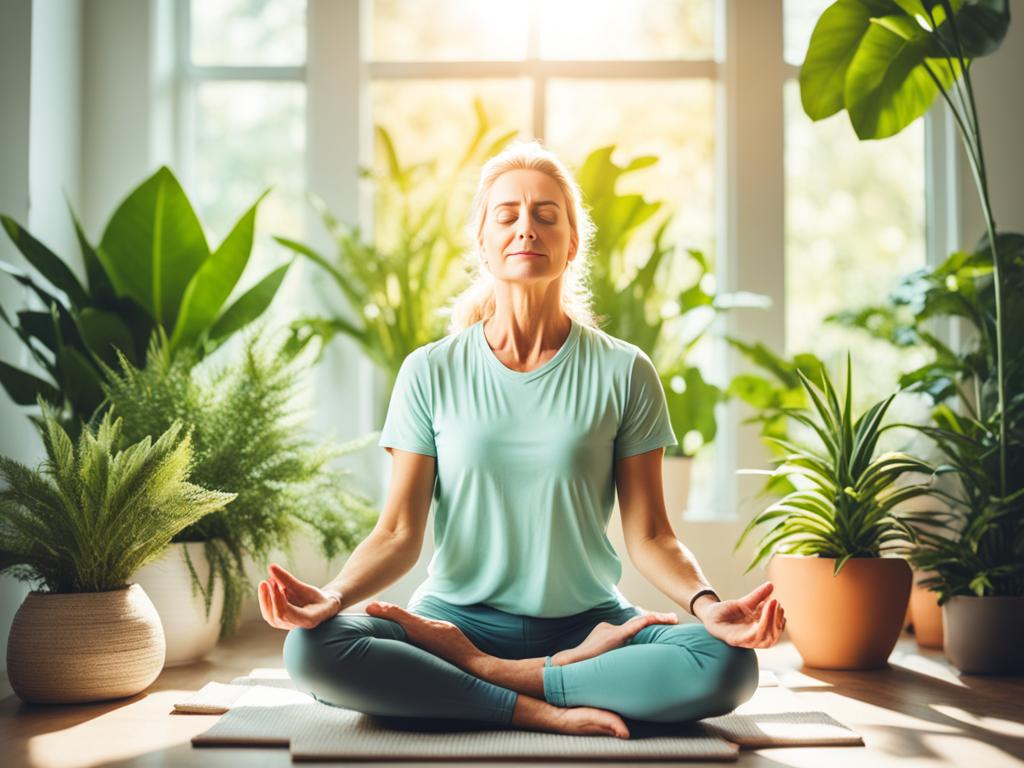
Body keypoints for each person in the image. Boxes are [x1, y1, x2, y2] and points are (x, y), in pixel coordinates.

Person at [259, 140, 786, 740]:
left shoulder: (625, 371)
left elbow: (652, 534)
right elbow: (399, 533)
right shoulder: (430, 370)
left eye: (545, 215)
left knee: (725, 664)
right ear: (482, 242)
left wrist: (707, 604)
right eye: (507, 215)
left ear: (572, 243)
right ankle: (536, 703)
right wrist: (331, 596)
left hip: (589, 628)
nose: (525, 229)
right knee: (311, 649)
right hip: (450, 622)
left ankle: (483, 677)